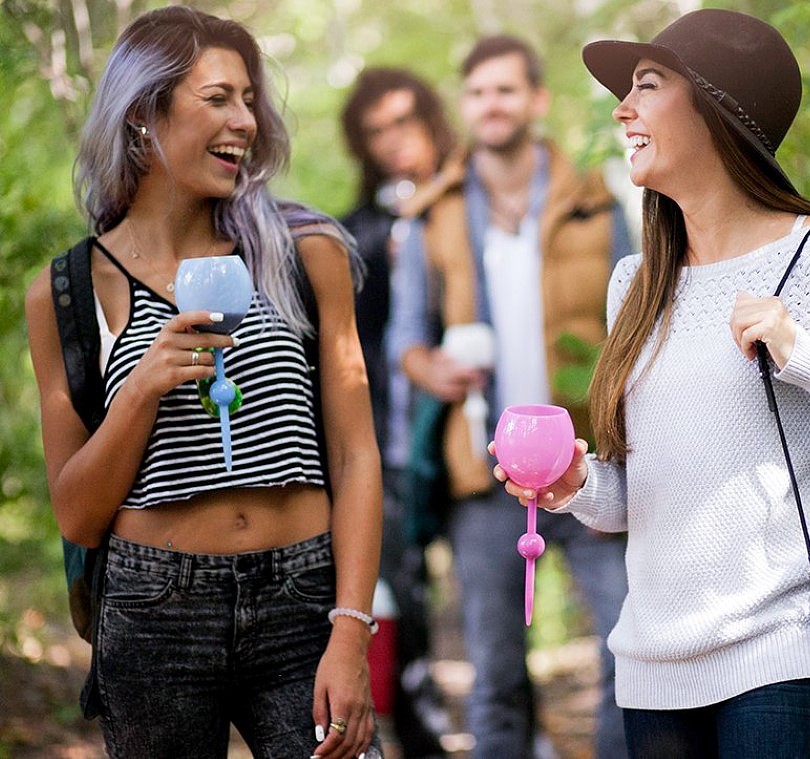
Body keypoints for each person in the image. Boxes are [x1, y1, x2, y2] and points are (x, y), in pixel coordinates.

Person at [493, 8, 810, 757]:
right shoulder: (636, 282)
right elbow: (645, 495)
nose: (621, 108)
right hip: (654, 668)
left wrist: (806, 355)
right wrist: (573, 483)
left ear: (718, 108)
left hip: (789, 655)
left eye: (647, 85)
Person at [24, 7, 383, 758]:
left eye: (250, 99)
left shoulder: (303, 254)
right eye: (218, 97)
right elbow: (78, 515)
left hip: (302, 600)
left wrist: (350, 628)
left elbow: (353, 456)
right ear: (144, 115)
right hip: (154, 613)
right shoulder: (66, 289)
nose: (246, 120)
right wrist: (143, 387)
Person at [387, 34, 633, 759]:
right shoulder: (432, 215)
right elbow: (407, 343)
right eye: (477, 93)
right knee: (494, 674)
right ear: (465, 106)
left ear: (535, 100)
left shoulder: (594, 198)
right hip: (482, 474)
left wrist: (617, 453)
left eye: (504, 90)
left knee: (629, 648)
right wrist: (434, 370)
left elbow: (633, 328)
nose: (490, 105)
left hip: (590, 468)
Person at [339, 67, 457, 758]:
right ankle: (420, 734)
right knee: (404, 594)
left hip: (476, 436)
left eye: (404, 122)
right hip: (392, 441)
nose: (393, 141)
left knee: (492, 594)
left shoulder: (476, 204)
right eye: (376, 131)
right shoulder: (355, 230)